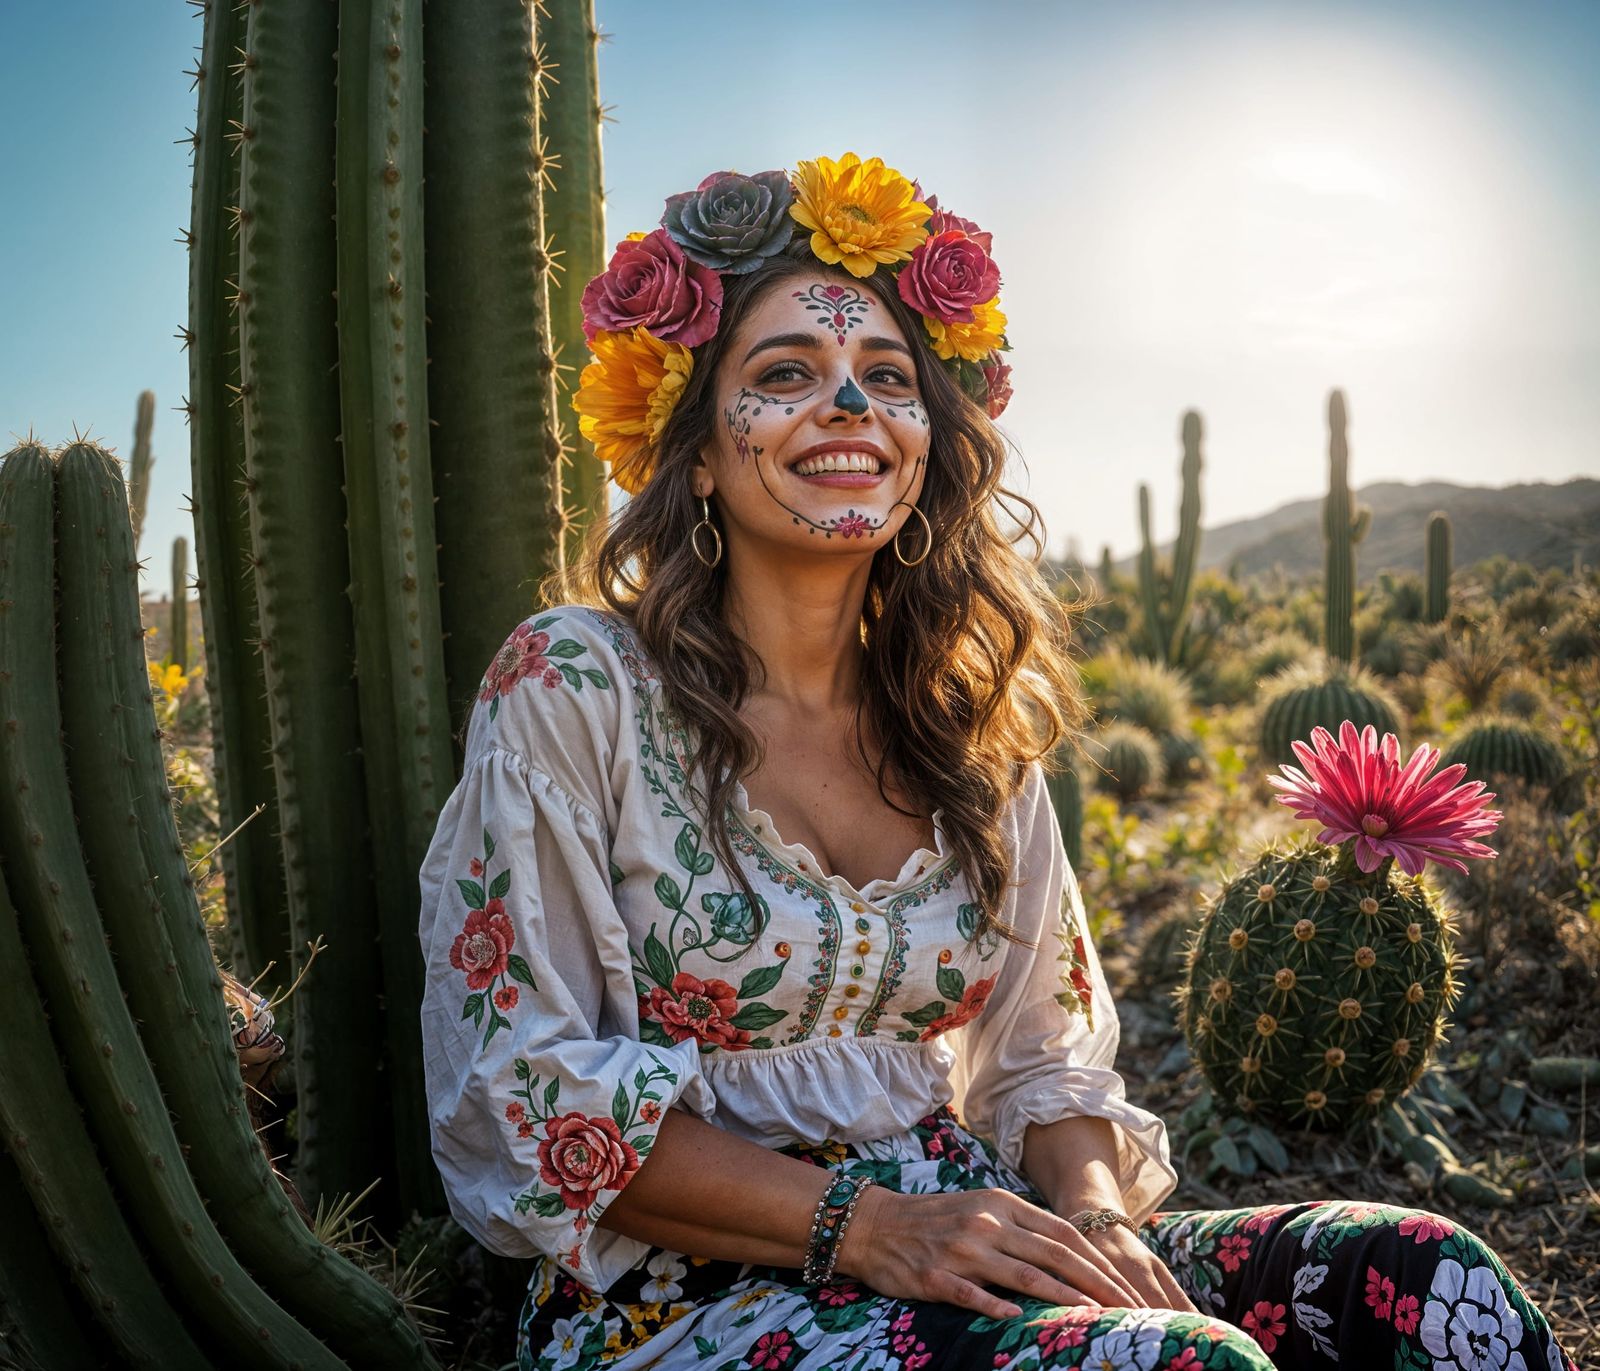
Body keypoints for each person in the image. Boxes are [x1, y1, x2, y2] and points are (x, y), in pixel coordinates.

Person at [417, 155, 1577, 1371]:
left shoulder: (959, 720)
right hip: (682, 1296)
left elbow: (1039, 1059)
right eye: (783, 376)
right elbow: (526, 1082)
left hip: (973, 1239)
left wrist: (1094, 1222)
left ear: (931, 438)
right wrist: (868, 1229)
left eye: (886, 379)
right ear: (696, 449)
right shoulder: (578, 685)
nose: (850, 407)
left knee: (1426, 1278)